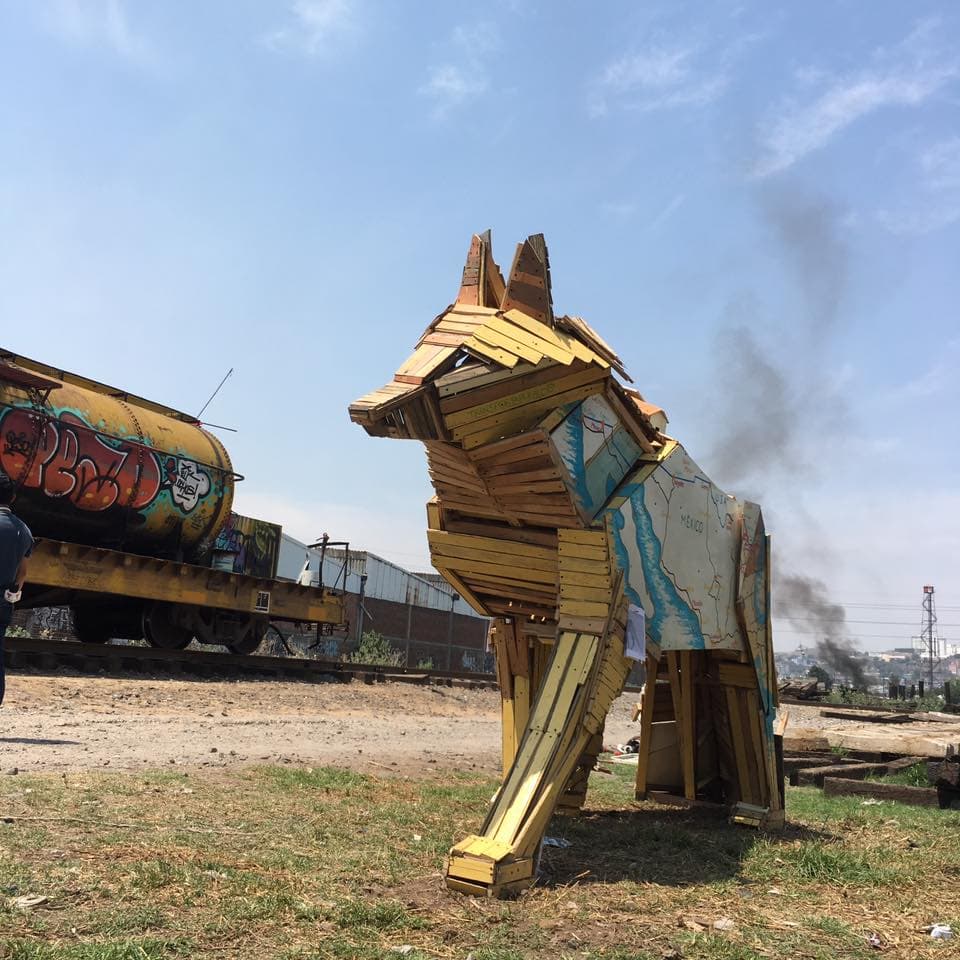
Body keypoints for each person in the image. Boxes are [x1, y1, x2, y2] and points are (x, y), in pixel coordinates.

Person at [0, 472, 33, 706]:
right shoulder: (24, 530)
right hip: (3, 601)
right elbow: (22, 574)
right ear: (12, 498)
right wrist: (13, 595)